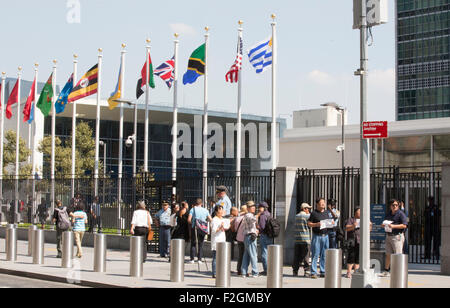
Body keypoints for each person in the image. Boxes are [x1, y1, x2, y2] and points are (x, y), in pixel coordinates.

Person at [381, 199, 408, 276]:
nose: (395, 206)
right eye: (393, 205)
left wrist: (394, 226)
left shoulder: (401, 214)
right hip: (389, 235)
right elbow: (385, 221)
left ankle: (398, 272)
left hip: (397, 236)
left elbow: (404, 225)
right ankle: (386, 270)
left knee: (398, 254)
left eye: (397, 205)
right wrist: (383, 225)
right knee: (388, 254)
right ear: (390, 206)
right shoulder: (388, 213)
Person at [308, 198, 330, 279]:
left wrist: (331, 223)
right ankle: (313, 272)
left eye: (324, 203)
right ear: (317, 204)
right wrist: (316, 224)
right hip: (317, 236)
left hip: (326, 236)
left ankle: (323, 271)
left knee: (324, 255)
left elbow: (329, 222)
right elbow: (309, 223)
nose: (323, 204)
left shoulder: (327, 212)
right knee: (315, 254)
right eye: (321, 203)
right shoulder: (314, 213)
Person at [188, 198, 212, 264]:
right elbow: (210, 219)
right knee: (201, 244)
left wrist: (192, 224)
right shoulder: (205, 210)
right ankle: (199, 259)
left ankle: (192, 259)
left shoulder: (193, 209)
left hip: (195, 228)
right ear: (201, 203)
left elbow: (189, 219)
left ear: (195, 203)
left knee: (193, 243)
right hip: (202, 228)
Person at [241, 201, 261, 278]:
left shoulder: (247, 215)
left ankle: (244, 272)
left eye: (254, 207)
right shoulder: (249, 215)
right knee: (253, 255)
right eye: (252, 207)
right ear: (248, 208)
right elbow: (253, 220)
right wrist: (259, 214)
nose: (254, 208)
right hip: (250, 236)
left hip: (247, 236)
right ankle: (255, 272)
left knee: (246, 255)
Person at [293, 203, 312, 277]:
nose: (309, 210)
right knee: (306, 256)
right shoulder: (307, 216)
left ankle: (295, 271)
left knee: (297, 256)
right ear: (304, 209)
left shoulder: (296, 216)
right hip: (305, 239)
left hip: (297, 239)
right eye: (308, 208)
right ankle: (306, 271)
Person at [210, 205, 230, 278]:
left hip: (222, 240)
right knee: (215, 257)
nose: (221, 212)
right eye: (220, 210)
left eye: (222, 210)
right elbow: (214, 231)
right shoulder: (214, 220)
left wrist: (225, 227)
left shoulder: (222, 219)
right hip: (216, 241)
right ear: (216, 212)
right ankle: (214, 272)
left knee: (221, 257)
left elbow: (225, 228)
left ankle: (220, 271)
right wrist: (220, 227)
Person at [257, 201, 273, 276]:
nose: (259, 209)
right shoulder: (269, 214)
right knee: (269, 253)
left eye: (260, 207)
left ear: (263, 208)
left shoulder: (263, 216)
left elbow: (262, 227)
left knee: (264, 253)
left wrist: (258, 228)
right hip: (270, 236)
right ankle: (270, 269)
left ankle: (266, 270)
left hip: (264, 235)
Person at [345, 207, 361, 279]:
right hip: (352, 240)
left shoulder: (363, 219)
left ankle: (356, 271)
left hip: (360, 241)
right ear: (355, 212)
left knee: (358, 257)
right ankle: (348, 272)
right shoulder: (351, 219)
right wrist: (353, 225)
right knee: (351, 256)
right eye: (359, 211)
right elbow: (347, 228)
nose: (360, 213)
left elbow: (369, 229)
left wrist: (370, 225)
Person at [424, 196, 441, 260]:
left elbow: (439, 216)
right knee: (427, 241)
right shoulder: (427, 208)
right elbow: (425, 216)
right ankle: (427, 255)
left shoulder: (436, 208)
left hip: (435, 226)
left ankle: (436, 254)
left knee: (436, 241)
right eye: (430, 200)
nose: (430, 202)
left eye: (431, 200)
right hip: (428, 226)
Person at [234, 204, 248, 276]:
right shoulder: (247, 218)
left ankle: (239, 269)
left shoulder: (237, 218)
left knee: (240, 255)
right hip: (245, 238)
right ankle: (244, 270)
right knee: (246, 255)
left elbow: (236, 229)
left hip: (239, 238)